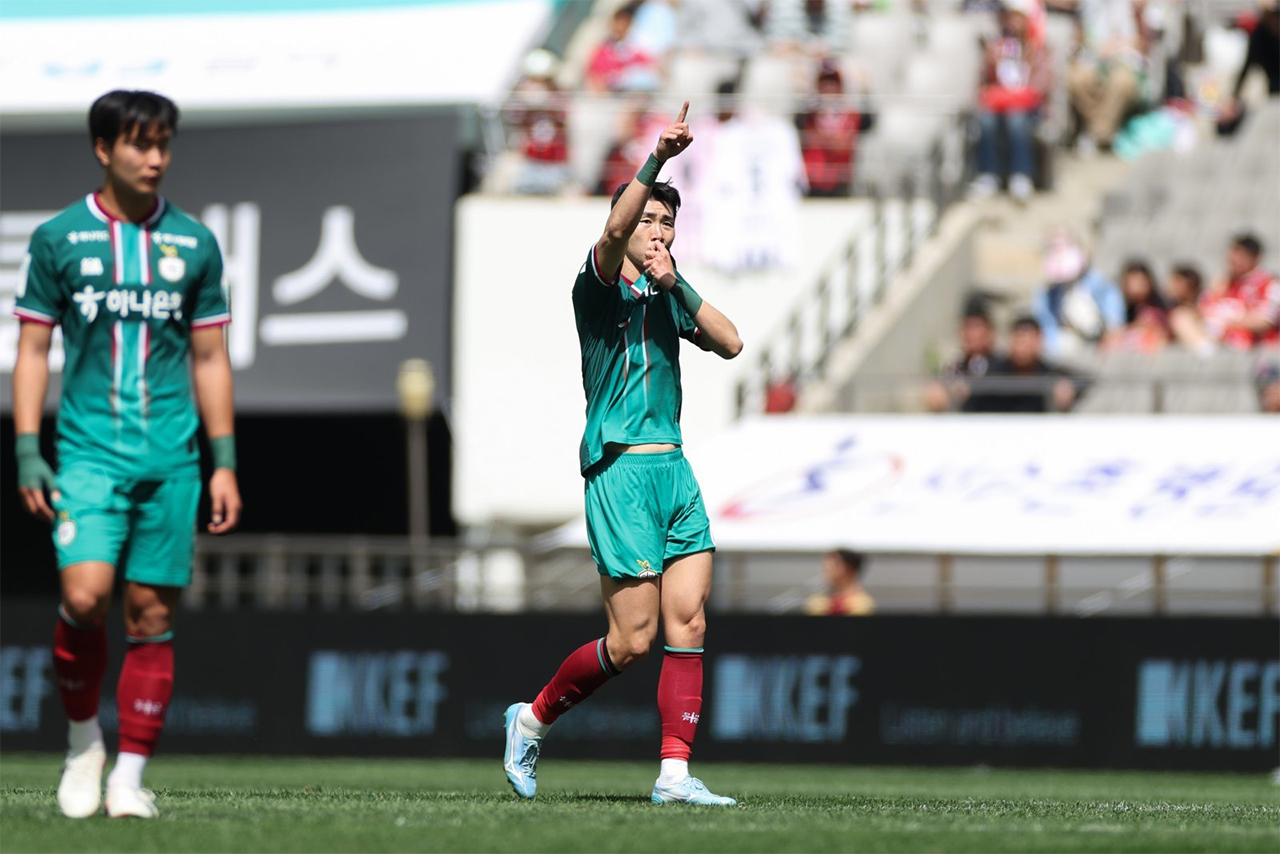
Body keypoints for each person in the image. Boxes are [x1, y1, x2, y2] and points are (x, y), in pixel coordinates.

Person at [502, 101, 743, 806]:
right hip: (620, 470)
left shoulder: (668, 295)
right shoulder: (598, 288)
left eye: (668, 222)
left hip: (674, 469)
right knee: (632, 641)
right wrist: (658, 158)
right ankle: (531, 719)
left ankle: (674, 776)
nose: (658, 230)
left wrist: (677, 283)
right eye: (649, 219)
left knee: (689, 621)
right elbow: (611, 231)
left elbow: (731, 342)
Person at [11, 90, 242, 819]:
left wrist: (224, 461)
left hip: (171, 462)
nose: (155, 158)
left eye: (163, 143)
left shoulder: (194, 243)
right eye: (140, 143)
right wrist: (27, 448)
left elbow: (210, 357)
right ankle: (84, 744)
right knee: (84, 597)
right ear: (103, 149)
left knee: (148, 615)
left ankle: (130, 776)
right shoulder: (59, 238)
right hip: (87, 456)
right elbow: (33, 347)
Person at [968, 0, 1054, 203]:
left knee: (1016, 120)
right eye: (1010, 17)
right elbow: (983, 81)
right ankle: (988, 173)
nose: (1014, 22)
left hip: (1028, 107)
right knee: (986, 120)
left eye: (1018, 17)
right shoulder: (996, 46)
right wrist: (991, 62)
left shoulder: (1037, 47)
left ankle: (1021, 173)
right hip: (998, 105)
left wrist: (1023, 94)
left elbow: (1043, 84)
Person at [1067, 0, 1157, 153]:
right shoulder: (1087, 7)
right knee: (1077, 80)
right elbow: (1081, 39)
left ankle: (1097, 134)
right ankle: (1102, 133)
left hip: (1124, 59)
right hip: (1092, 59)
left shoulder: (1130, 7)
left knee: (1122, 82)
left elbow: (1138, 40)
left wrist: (1116, 47)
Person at [1030, 228, 1125, 361]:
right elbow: (1046, 328)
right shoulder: (1046, 295)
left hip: (1099, 346)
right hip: (1065, 350)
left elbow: (1114, 325)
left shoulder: (1102, 285)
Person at [1184, 233, 1280, 351]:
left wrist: (1228, 321)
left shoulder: (1267, 283)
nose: (1233, 259)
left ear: (1254, 257)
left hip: (1251, 343)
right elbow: (1203, 310)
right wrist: (1214, 291)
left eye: (1240, 255)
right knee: (1182, 317)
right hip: (1216, 335)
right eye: (1232, 253)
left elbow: (1266, 320)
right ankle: (1207, 350)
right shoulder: (1223, 283)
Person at [794, 59, 874, 197]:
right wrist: (801, 89)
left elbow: (869, 122)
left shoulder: (851, 116)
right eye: (824, 84)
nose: (829, 89)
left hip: (841, 182)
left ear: (840, 88)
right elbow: (797, 119)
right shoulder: (809, 116)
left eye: (833, 84)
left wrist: (864, 91)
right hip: (812, 183)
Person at [506, 50, 572, 196]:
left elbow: (564, 118)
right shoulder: (521, 96)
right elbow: (514, 119)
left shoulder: (560, 95)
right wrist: (528, 104)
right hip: (530, 161)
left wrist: (546, 103)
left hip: (556, 163)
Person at [984, 315, 1080, 412]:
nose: (1023, 347)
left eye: (1029, 340)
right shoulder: (993, 374)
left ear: (1040, 341)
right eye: (1020, 339)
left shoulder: (1051, 375)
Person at [923, 298, 1003, 412]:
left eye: (977, 327)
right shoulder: (958, 365)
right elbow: (943, 384)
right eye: (967, 327)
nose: (972, 334)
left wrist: (971, 387)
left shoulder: (1002, 364)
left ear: (989, 332)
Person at [584, 2, 660, 94]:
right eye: (619, 22)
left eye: (625, 23)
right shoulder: (602, 49)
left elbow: (649, 65)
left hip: (630, 93)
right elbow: (593, 73)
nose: (621, 27)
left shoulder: (636, 49)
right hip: (608, 94)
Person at [805, 550, 875, 616]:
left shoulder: (863, 604)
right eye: (825, 566)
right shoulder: (818, 602)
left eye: (832, 565)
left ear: (849, 568)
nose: (826, 570)